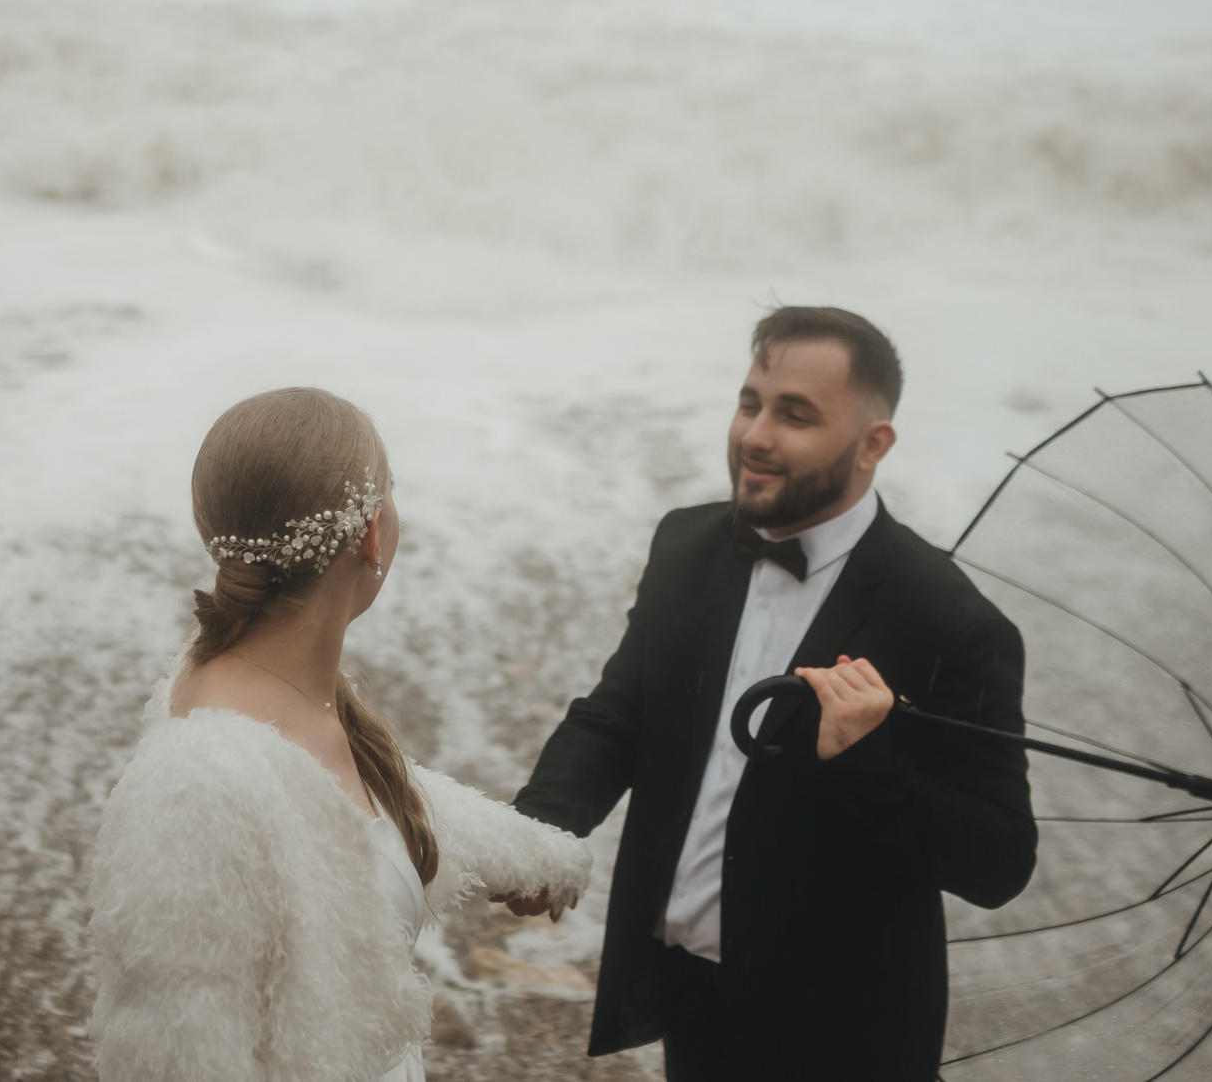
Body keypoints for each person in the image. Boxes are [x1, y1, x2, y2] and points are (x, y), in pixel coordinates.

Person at [507, 308, 1037, 1081]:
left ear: (873, 444)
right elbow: (621, 712)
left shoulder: (953, 624)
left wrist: (867, 760)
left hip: (843, 1030)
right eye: (750, 401)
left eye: (794, 414)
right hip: (688, 982)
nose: (755, 434)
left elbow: (1000, 860)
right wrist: (539, 833)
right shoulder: (687, 544)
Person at [89, 387, 592, 1082]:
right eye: (393, 491)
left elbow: (362, 822)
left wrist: (537, 856)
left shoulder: (295, 692)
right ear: (371, 534)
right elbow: (172, 1053)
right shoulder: (192, 784)